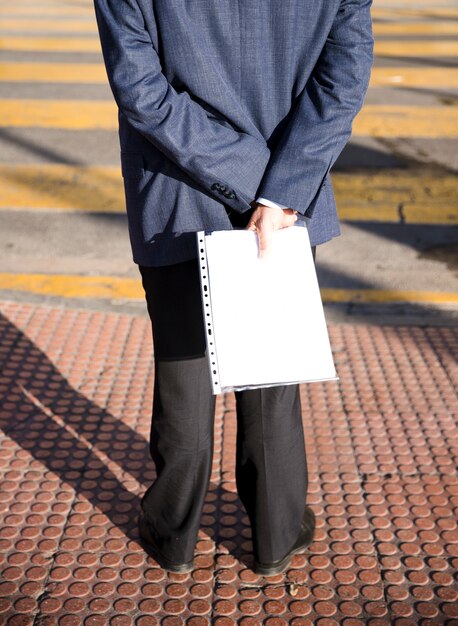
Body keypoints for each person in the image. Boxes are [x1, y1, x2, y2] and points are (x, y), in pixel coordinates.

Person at [94, 0, 374, 576]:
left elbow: (141, 88)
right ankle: (275, 535)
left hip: (174, 189)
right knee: (270, 370)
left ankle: (173, 534)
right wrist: (278, 191)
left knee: (183, 366)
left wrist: (250, 178)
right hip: (284, 201)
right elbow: (343, 78)